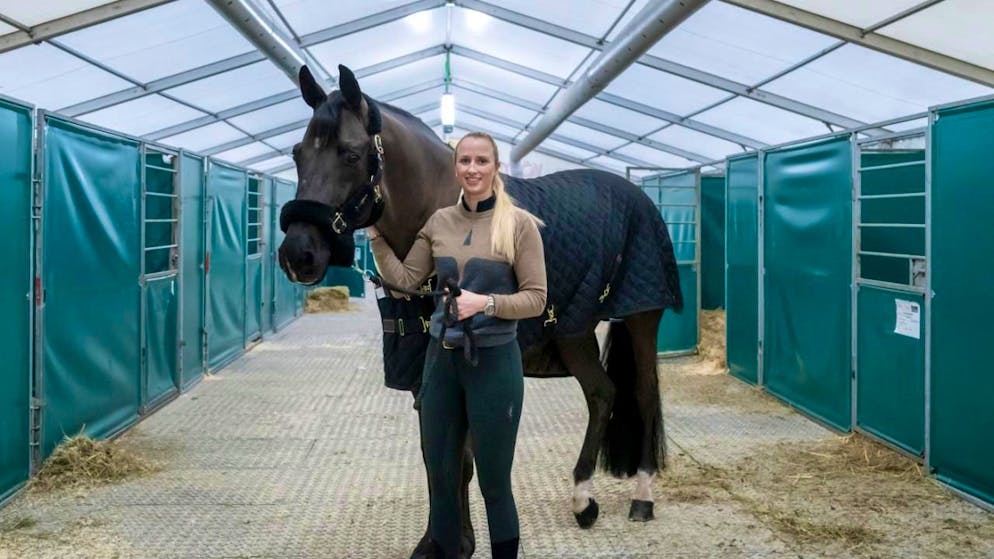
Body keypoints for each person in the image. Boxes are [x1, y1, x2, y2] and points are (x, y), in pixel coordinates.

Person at [367, 132, 546, 559]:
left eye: (481, 161)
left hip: (494, 364)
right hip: (440, 364)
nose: (472, 169)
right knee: (443, 480)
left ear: (495, 168)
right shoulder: (440, 222)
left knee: (494, 484)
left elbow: (537, 298)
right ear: (456, 168)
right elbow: (407, 280)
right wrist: (374, 234)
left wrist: (486, 303)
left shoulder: (519, 225)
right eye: (464, 160)